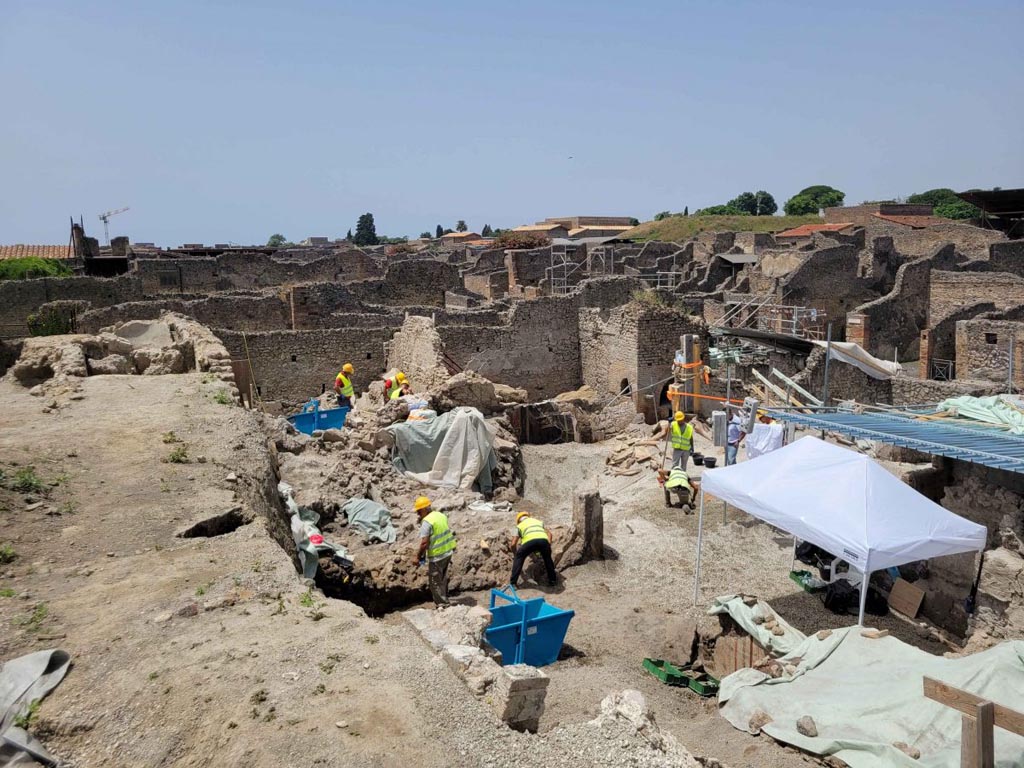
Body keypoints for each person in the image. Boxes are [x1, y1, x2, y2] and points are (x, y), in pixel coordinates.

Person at [413, 496, 456, 608]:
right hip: (448, 551)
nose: (418, 514)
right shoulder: (440, 515)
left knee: (435, 581)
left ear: (424, 509)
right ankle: (445, 598)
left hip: (437, 555)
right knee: (442, 578)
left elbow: (424, 543)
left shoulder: (427, 522)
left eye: (418, 511)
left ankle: (443, 604)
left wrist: (418, 557)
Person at [508, 511, 557, 588]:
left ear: (518, 521)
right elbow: (550, 534)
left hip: (529, 543)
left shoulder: (519, 526)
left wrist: (516, 554)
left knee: (519, 557)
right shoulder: (538, 522)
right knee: (548, 559)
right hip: (543, 541)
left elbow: (513, 544)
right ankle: (553, 580)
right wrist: (548, 545)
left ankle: (513, 583)